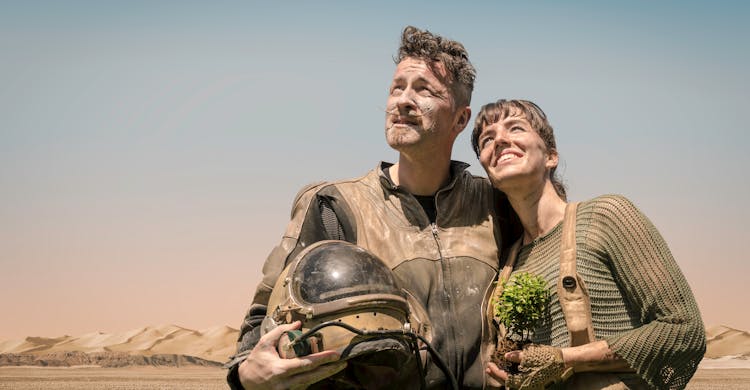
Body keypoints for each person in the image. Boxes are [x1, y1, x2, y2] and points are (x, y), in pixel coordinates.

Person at [226, 26, 518, 389]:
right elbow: (266, 313)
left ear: (460, 119)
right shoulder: (335, 206)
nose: (403, 101)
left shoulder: (496, 204)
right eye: (398, 87)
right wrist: (245, 372)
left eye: (424, 90)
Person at [472, 99, 706, 389]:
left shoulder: (605, 215)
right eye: (487, 139)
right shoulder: (506, 267)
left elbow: (684, 330)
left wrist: (565, 358)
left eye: (515, 128)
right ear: (488, 172)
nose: (500, 140)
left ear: (551, 156)